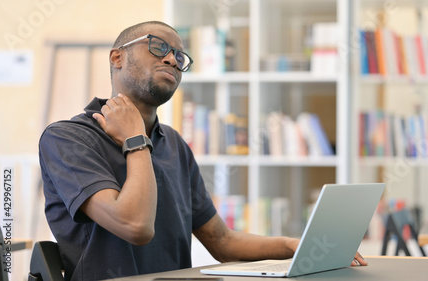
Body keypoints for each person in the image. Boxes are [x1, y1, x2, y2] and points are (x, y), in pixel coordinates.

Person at [38, 20, 367, 281]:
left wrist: (294, 245)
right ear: (117, 57)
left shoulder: (174, 144)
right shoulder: (67, 139)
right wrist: (136, 140)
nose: (171, 59)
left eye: (180, 57)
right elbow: (135, 226)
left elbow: (221, 242)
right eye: (158, 46)